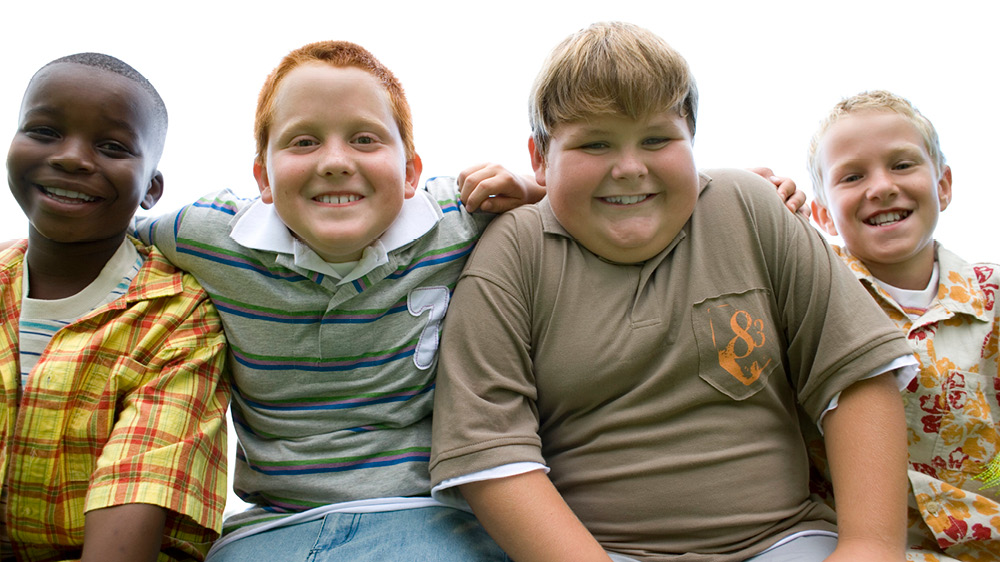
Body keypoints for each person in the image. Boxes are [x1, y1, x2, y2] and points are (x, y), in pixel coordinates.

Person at [428, 22, 919, 562]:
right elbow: (491, 452)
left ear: (692, 141)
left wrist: (870, 546)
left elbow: (854, 375)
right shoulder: (513, 254)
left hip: (783, 540)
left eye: (657, 139)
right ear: (540, 158)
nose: (629, 168)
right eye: (594, 143)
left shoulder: (749, 209)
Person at [134, 40, 545, 561]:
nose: (334, 162)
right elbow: (107, 229)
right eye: (303, 141)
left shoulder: (459, 219)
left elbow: (578, 208)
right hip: (270, 527)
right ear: (262, 177)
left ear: (410, 172)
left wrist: (530, 191)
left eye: (364, 139)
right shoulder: (209, 236)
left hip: (428, 516)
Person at [1, 53, 229, 561]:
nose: (72, 158)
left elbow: (133, 508)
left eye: (112, 147)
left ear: (152, 189)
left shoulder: (178, 319)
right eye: (44, 131)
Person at [806, 90, 1000, 561]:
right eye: (852, 176)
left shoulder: (991, 296)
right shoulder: (814, 291)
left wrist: (990, 479)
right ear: (823, 214)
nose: (881, 187)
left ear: (944, 186)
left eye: (902, 165)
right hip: (864, 545)